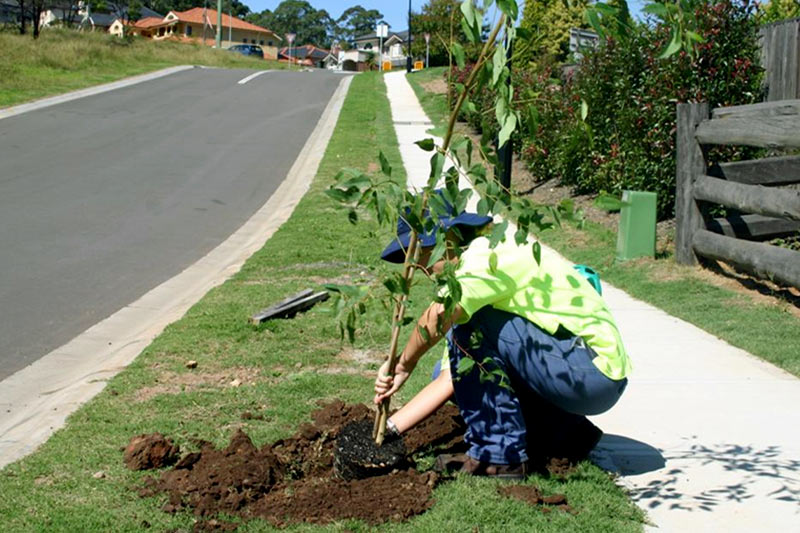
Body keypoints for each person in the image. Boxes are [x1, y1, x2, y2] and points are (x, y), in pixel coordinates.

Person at [374, 202, 631, 479]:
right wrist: (390, 428)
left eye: (425, 259)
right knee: (459, 370)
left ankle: (498, 457)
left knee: (469, 327)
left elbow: (440, 314)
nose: (425, 272)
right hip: (578, 373)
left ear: (448, 238)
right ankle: (566, 433)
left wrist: (403, 364)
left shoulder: (487, 255)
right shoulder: (477, 273)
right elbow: (447, 380)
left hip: (591, 370)